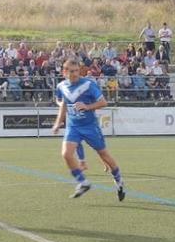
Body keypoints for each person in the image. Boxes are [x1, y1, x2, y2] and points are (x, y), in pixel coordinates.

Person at [51, 58, 125, 201]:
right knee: (66, 154)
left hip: (90, 126)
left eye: (77, 71)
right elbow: (63, 105)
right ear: (64, 72)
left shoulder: (88, 84)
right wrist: (57, 123)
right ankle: (83, 182)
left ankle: (119, 180)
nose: (75, 74)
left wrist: (87, 106)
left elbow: (103, 102)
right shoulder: (61, 86)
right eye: (72, 71)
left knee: (104, 155)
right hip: (73, 126)